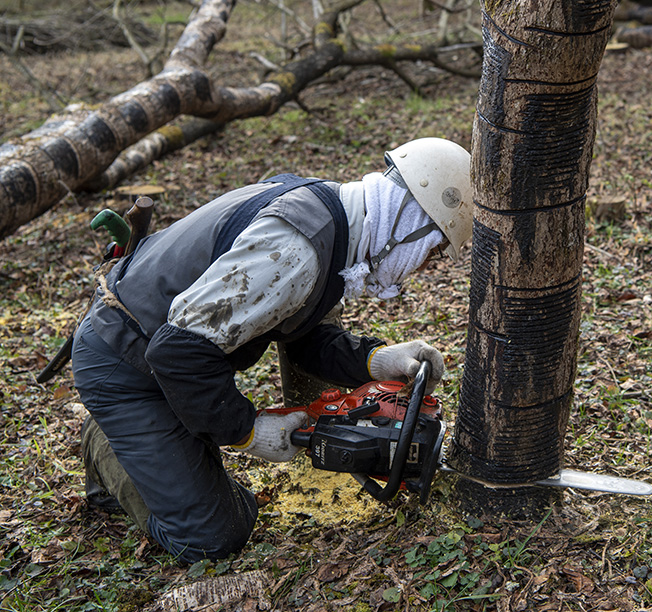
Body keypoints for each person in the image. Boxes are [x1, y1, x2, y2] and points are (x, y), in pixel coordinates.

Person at [71, 137, 472, 563]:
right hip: (126, 364)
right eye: (432, 252)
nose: (425, 267)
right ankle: (104, 442)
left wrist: (375, 359)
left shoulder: (336, 220)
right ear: (410, 222)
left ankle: (158, 440)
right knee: (212, 537)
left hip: (165, 356)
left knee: (208, 476)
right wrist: (247, 431)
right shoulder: (296, 247)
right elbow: (177, 353)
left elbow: (299, 332)